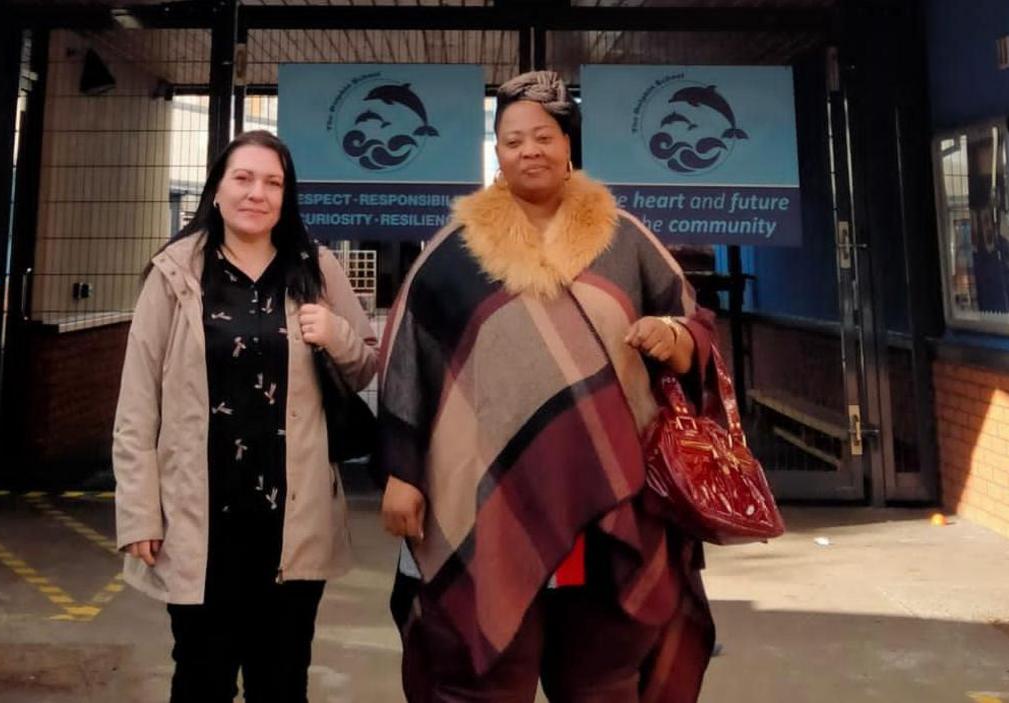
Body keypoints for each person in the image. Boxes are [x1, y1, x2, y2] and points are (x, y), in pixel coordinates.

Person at [378, 71, 716, 702]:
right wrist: (403, 471)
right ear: (498, 154)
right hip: (488, 503)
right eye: (512, 140)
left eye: (543, 136)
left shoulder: (625, 239)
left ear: (568, 146)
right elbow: (408, 359)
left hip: (611, 499)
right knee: (486, 677)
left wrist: (674, 338)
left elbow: (695, 324)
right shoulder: (453, 249)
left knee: (602, 676)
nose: (528, 150)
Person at [112, 129, 378, 703]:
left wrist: (338, 336)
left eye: (273, 182)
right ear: (216, 190)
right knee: (200, 680)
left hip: (292, 524)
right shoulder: (174, 275)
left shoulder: (317, 268)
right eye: (243, 177)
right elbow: (136, 405)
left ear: (287, 197)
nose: (257, 192)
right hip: (199, 524)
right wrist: (138, 513)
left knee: (281, 683)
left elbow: (364, 370)